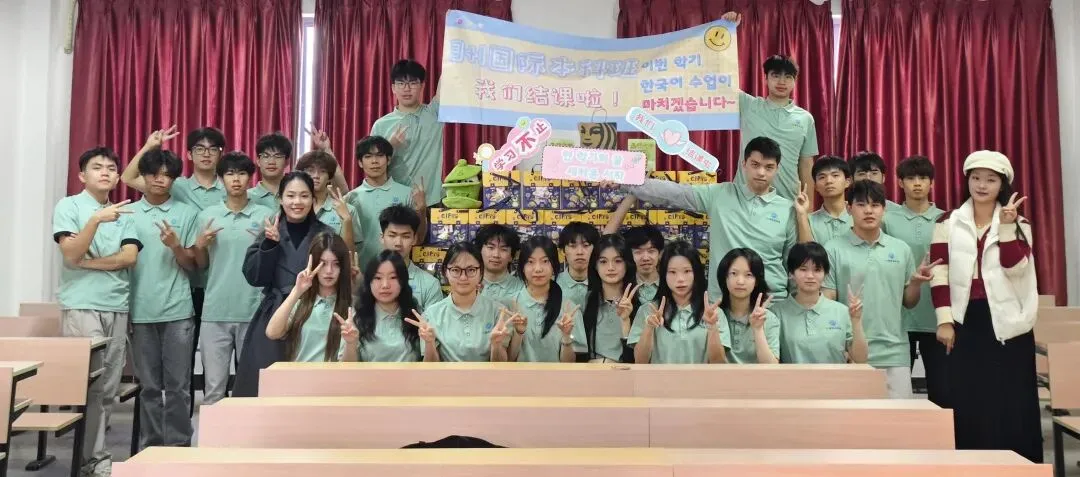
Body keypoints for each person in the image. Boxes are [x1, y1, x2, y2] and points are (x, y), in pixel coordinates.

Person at [930, 151, 1040, 463]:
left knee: (1012, 399)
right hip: (966, 320)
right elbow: (939, 272)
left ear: (1002, 185)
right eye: (976, 178)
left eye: (991, 180)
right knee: (969, 397)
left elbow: (1015, 268)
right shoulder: (947, 222)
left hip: (1008, 323)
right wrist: (944, 320)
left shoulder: (1019, 222)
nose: (982, 185)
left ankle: (1018, 465)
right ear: (967, 181)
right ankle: (972, 464)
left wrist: (1006, 228)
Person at [619, 137, 812, 301]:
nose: (761, 172)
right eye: (755, 165)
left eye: (769, 167)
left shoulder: (787, 209)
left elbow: (797, 262)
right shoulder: (720, 194)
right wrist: (624, 180)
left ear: (777, 169)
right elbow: (675, 193)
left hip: (771, 302)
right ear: (744, 164)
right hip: (722, 302)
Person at [52, 146, 141, 476]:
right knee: (90, 387)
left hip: (116, 304)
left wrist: (88, 263)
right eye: (97, 167)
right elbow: (71, 253)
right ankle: (96, 460)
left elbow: (129, 258)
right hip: (82, 304)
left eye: (111, 168)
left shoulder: (124, 212)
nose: (105, 172)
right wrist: (94, 221)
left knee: (108, 389)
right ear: (82, 175)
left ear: (118, 177)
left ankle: (92, 456)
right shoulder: (69, 207)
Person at [823, 180, 937, 399]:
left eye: (875, 205)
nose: (869, 211)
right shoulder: (833, 249)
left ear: (884, 209)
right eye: (861, 204)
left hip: (895, 352)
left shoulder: (900, 249)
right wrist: (837, 345)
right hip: (849, 352)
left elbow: (909, 302)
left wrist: (915, 283)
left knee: (898, 417)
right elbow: (828, 303)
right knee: (853, 418)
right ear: (849, 208)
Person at [233, 171, 334, 396]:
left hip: (315, 314)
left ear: (313, 199)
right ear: (280, 198)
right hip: (276, 311)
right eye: (290, 195)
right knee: (267, 382)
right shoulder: (270, 232)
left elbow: (336, 274)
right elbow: (254, 277)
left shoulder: (326, 234)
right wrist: (270, 245)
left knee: (311, 384)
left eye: (304, 196)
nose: (297, 202)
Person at [127, 148, 199, 450]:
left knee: (179, 387)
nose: (160, 180)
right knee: (149, 388)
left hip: (178, 311)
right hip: (140, 310)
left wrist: (175, 246)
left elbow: (193, 265)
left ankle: (180, 446)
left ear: (174, 179)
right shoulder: (128, 214)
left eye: (167, 175)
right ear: (144, 176)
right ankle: (151, 447)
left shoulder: (187, 213)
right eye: (154, 174)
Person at [193, 152, 276, 405]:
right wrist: (199, 246)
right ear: (221, 179)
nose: (236, 179)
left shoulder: (266, 215)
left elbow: (273, 262)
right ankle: (212, 433)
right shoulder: (207, 216)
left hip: (254, 311)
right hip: (215, 310)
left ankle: (251, 432)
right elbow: (201, 265)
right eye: (230, 174)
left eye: (241, 173)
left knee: (253, 390)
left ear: (250, 178)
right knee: (213, 389)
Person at [721, 13, 819, 201]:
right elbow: (721, 77)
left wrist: (808, 210)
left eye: (788, 77)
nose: (782, 81)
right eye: (775, 75)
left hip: (787, 202)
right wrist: (726, 30)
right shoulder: (748, 105)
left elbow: (806, 166)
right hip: (744, 200)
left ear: (795, 81)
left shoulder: (805, 118)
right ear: (765, 78)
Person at [883, 155, 946, 405]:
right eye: (910, 178)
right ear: (900, 183)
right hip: (898, 317)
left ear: (932, 183)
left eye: (923, 178)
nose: (917, 183)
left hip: (936, 315)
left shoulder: (946, 219)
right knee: (895, 393)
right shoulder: (886, 219)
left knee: (942, 389)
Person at [406, 243, 513, 362]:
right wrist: (429, 342)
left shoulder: (498, 312)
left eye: (471, 270)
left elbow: (502, 367)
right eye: (456, 270)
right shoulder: (431, 315)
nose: (463, 277)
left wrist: (496, 345)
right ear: (445, 272)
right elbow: (431, 368)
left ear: (481, 273)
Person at [628, 241, 730, 364]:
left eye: (687, 271)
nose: (680, 279)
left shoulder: (714, 313)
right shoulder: (648, 310)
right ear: (663, 275)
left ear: (696, 273)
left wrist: (712, 327)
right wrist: (649, 327)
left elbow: (719, 363)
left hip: (699, 377)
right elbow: (640, 362)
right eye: (672, 272)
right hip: (660, 377)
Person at [265, 232, 356, 362]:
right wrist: (297, 291)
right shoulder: (301, 304)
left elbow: (350, 366)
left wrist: (351, 343)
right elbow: (272, 332)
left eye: (336, 264)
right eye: (323, 263)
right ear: (313, 264)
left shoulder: (352, 307)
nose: (329, 271)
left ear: (343, 267)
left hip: (336, 374)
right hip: (300, 373)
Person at [773, 242, 869, 364]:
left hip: (836, 377)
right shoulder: (776, 313)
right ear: (791, 273)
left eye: (817, 270)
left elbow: (861, 359)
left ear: (826, 274)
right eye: (803, 269)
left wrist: (856, 321)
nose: (810, 276)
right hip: (791, 377)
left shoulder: (842, 312)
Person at [345, 135, 428, 267]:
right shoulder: (351, 198)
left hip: (399, 271)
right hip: (363, 271)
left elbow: (419, 238)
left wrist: (422, 210)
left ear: (388, 159)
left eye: (380, 155)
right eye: (368, 156)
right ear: (360, 162)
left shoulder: (408, 194)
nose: (374, 161)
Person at [371, 59, 443, 206]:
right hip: (395, 202)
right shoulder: (381, 125)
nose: (406, 88)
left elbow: (448, 79)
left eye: (413, 83)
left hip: (431, 201)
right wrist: (390, 146)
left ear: (422, 86)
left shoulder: (434, 113)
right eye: (401, 83)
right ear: (393, 88)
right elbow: (372, 166)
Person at [509, 236, 580, 363]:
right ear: (522, 267)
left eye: (545, 261)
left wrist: (566, 337)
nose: (538, 269)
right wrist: (518, 333)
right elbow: (506, 361)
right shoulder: (511, 305)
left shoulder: (570, 308)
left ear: (554, 266)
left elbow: (572, 365)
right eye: (530, 262)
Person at [122, 126, 227, 211]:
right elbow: (128, 178)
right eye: (200, 149)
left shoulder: (231, 187)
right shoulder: (173, 185)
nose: (206, 154)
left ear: (221, 154)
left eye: (213, 149)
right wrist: (149, 146)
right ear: (189, 154)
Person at [343, 250, 422, 362]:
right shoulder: (356, 318)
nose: (385, 285)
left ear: (402, 281)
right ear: (369, 282)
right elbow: (346, 369)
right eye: (378, 278)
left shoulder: (416, 315)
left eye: (393, 277)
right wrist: (350, 343)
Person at [580, 234, 641, 363]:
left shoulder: (640, 307)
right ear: (595, 265)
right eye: (603, 261)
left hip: (626, 372)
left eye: (618, 261)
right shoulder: (584, 302)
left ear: (627, 264)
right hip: (591, 372)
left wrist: (626, 322)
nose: (611, 268)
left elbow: (640, 359)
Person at [715, 248, 780, 364]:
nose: (740, 281)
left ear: (757, 281)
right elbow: (714, 363)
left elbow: (772, 368)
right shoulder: (714, 315)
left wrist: (758, 329)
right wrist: (712, 326)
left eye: (748, 275)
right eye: (734, 273)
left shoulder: (768, 318)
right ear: (724, 278)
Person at [295, 150, 362, 253]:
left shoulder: (348, 210)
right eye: (310, 170)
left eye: (322, 171)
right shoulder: (294, 207)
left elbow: (351, 254)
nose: (316, 175)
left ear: (329, 177)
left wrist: (347, 220)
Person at [379, 205, 444, 311]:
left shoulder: (429, 284)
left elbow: (435, 321)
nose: (398, 243)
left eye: (405, 236)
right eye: (392, 235)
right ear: (382, 237)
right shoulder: (368, 281)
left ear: (414, 239)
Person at [474, 224, 524, 305]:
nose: (496, 255)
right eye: (491, 248)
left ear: (511, 256)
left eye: (503, 249)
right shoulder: (469, 285)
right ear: (480, 250)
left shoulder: (522, 288)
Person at [808, 155, 853, 244]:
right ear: (816, 186)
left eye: (835, 175)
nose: (829, 181)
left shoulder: (859, 215)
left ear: (847, 182)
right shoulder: (809, 221)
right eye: (822, 177)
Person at [557, 222, 600, 305]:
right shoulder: (553, 285)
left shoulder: (604, 284)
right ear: (562, 251)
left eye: (586, 245)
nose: (580, 252)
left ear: (596, 250)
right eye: (573, 246)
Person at [247, 132, 292, 210]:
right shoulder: (246, 197)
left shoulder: (296, 195)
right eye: (266, 156)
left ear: (287, 161)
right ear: (258, 161)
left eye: (278, 156)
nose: (271, 162)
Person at [622, 225, 663, 304]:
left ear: (660, 253)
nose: (645, 258)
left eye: (651, 251)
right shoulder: (623, 284)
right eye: (638, 252)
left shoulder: (669, 283)